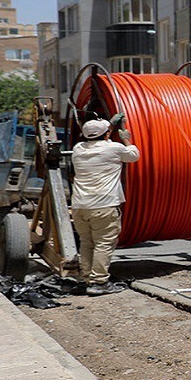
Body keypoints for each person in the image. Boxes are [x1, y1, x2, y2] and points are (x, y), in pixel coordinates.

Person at [70, 117, 138, 295]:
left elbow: (97, 136)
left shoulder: (77, 150)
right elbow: (133, 155)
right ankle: (99, 282)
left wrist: (110, 125)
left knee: (86, 242)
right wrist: (126, 138)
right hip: (104, 205)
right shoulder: (114, 148)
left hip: (79, 207)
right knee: (104, 243)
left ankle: (86, 278)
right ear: (107, 134)